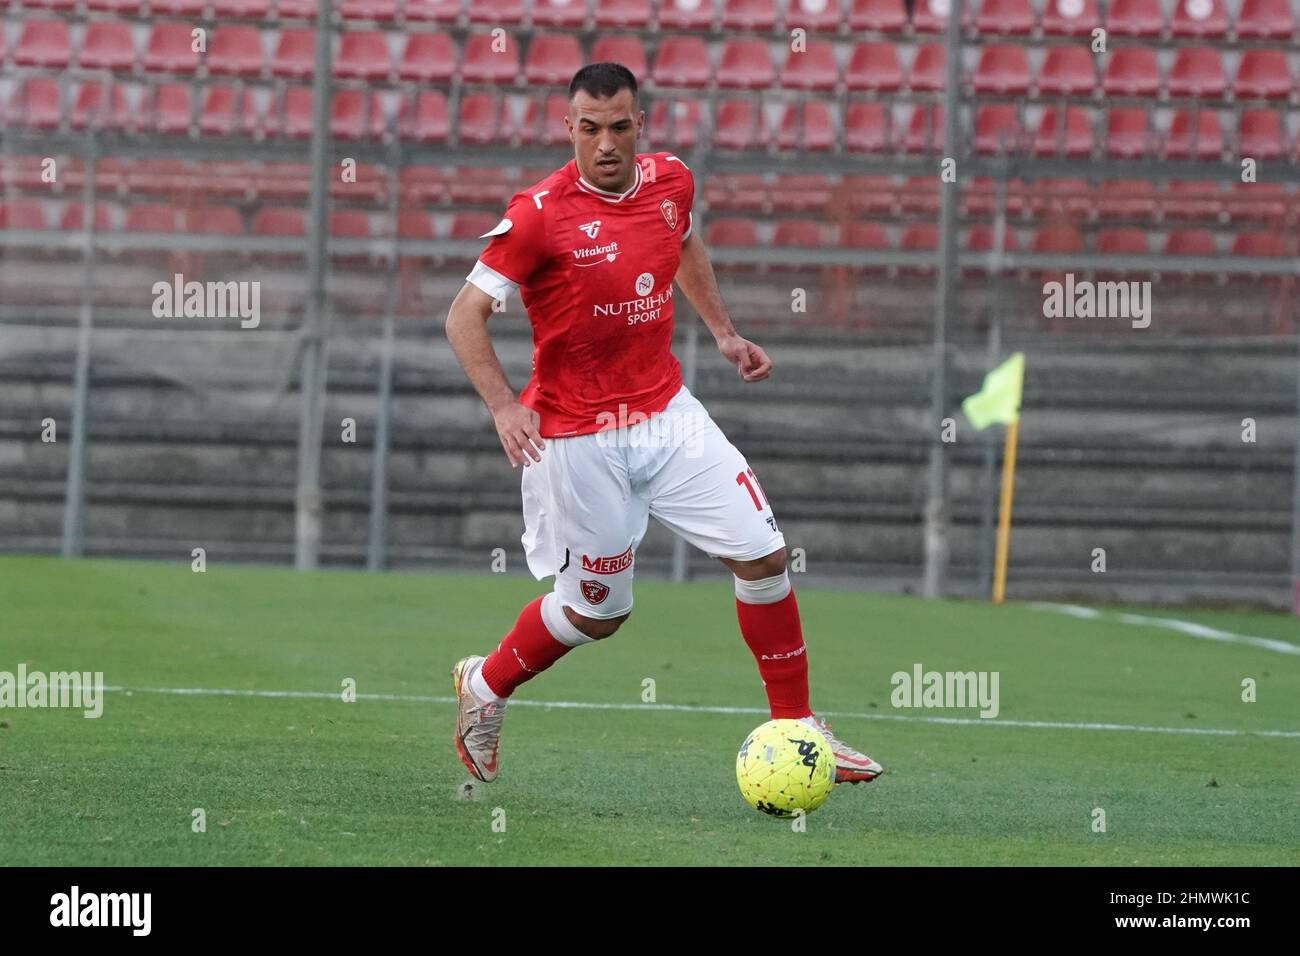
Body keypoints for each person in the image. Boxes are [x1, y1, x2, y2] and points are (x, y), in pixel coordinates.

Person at [444, 62, 883, 786]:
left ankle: (798, 727)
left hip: (667, 415)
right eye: (591, 129)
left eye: (620, 127)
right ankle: (485, 686)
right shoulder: (538, 214)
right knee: (598, 613)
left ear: (639, 124)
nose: (606, 144)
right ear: (570, 129)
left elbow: (681, 244)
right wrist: (502, 404)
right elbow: (464, 315)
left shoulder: (671, 181)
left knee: (764, 556)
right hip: (578, 437)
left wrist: (723, 332)